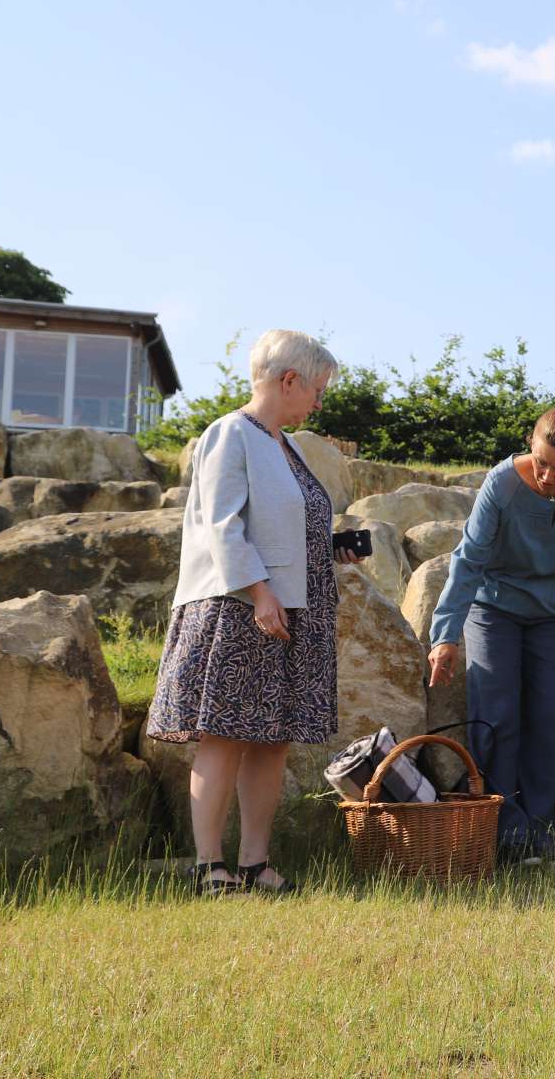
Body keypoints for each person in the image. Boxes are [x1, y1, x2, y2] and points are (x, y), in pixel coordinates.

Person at [147, 329, 358, 896]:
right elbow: (222, 524)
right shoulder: (229, 435)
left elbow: (281, 523)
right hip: (241, 607)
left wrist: (328, 544)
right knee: (223, 737)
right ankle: (209, 865)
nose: (319, 401)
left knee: (273, 738)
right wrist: (261, 592)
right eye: (316, 389)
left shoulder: (283, 444)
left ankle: (255, 864)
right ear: (289, 379)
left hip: (291, 610)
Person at [426, 406, 555, 863]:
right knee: (497, 717)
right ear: (530, 445)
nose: (548, 475)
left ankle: (545, 832)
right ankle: (501, 831)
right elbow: (468, 560)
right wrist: (445, 635)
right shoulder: (502, 483)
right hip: (495, 610)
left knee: (548, 723)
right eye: (541, 461)